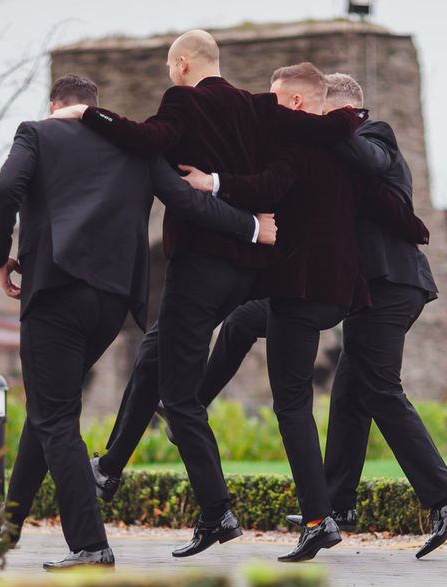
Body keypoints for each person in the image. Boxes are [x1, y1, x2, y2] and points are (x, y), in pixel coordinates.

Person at [52, 30, 365, 558]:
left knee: (178, 396)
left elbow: (147, 138)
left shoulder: (183, 99)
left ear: (180, 64)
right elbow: (316, 121)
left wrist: (87, 114)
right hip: (247, 273)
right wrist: (351, 115)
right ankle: (108, 469)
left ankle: (216, 510)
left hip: (202, 265)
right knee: (155, 350)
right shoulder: (251, 104)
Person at [0, 74, 274, 571]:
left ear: (55, 104)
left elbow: (6, 187)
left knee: (55, 417)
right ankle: (8, 524)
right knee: (48, 404)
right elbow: (187, 201)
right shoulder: (134, 149)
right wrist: (250, 226)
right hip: (115, 302)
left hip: (55, 292)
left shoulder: (36, 133)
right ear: (95, 107)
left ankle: (90, 545)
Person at [184, 63, 429, 561]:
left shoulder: (361, 136)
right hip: (343, 291)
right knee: (332, 384)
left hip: (351, 286)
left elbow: (280, 184)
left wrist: (212, 182)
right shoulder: (331, 150)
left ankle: (340, 514)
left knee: (344, 396)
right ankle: (332, 504)